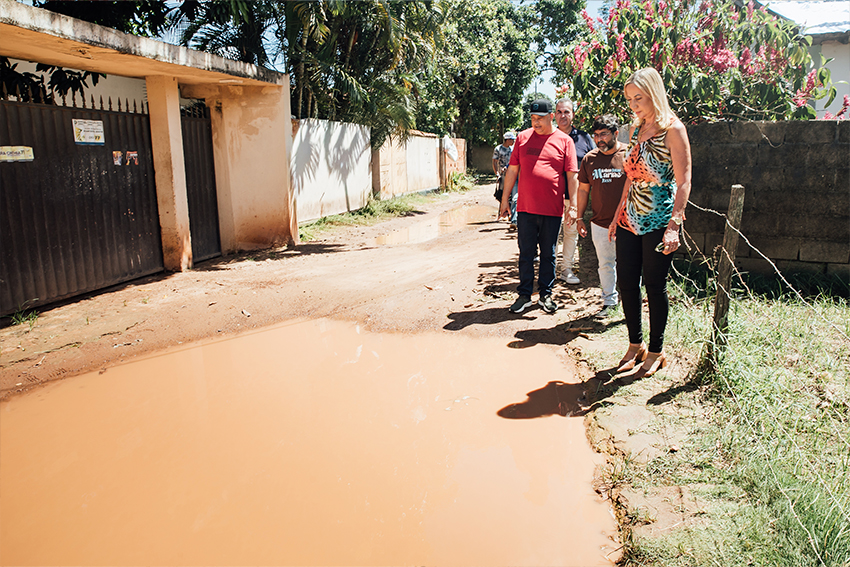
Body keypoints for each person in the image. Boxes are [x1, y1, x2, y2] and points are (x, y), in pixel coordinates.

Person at [608, 67, 692, 377]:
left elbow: (684, 182)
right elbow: (630, 177)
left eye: (639, 98)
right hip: (629, 218)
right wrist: (617, 215)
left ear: (654, 94)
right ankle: (635, 344)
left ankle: (656, 350)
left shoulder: (673, 130)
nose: (634, 105)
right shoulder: (636, 129)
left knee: (655, 286)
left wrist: (674, 225)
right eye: (630, 99)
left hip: (659, 219)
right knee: (627, 283)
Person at [499, 99, 579, 314]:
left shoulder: (564, 141)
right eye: (533, 118)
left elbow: (572, 176)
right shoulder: (522, 138)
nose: (536, 123)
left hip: (552, 209)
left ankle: (546, 295)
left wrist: (573, 205)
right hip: (526, 208)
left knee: (548, 254)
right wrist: (505, 199)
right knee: (525, 253)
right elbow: (512, 170)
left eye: (540, 119)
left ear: (551, 117)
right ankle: (524, 295)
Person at [569, 114, 628, 320]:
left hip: (628, 222)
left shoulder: (629, 154)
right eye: (596, 135)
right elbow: (583, 190)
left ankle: (631, 305)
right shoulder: (589, 159)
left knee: (629, 265)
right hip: (600, 222)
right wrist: (579, 218)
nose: (599, 139)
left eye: (604, 134)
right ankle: (609, 301)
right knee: (605, 263)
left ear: (616, 133)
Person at [555, 98, 594, 285]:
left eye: (566, 112)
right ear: (554, 115)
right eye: (559, 112)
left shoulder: (584, 138)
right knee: (550, 234)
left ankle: (566, 269)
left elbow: (594, 161)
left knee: (571, 233)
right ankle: (548, 271)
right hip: (551, 196)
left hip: (575, 197)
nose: (563, 116)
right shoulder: (548, 137)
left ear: (573, 114)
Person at [492, 131, 518, 228]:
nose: (513, 141)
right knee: (502, 194)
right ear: (507, 140)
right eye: (511, 140)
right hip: (503, 175)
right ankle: (504, 212)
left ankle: (512, 217)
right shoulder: (498, 149)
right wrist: (497, 173)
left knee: (514, 196)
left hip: (513, 173)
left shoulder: (513, 149)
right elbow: (494, 162)